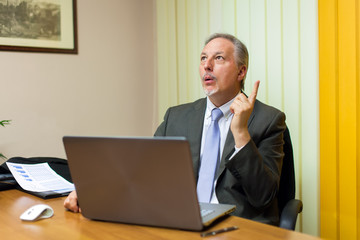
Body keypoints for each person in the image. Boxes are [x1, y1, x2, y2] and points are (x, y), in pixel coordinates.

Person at [64, 33, 286, 226]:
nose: (207, 66)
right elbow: (139, 167)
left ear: (241, 72)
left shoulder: (268, 120)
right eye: (203, 59)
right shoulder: (177, 117)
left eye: (218, 58)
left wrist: (240, 133)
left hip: (237, 226)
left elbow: (263, 197)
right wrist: (91, 190)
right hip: (180, 221)